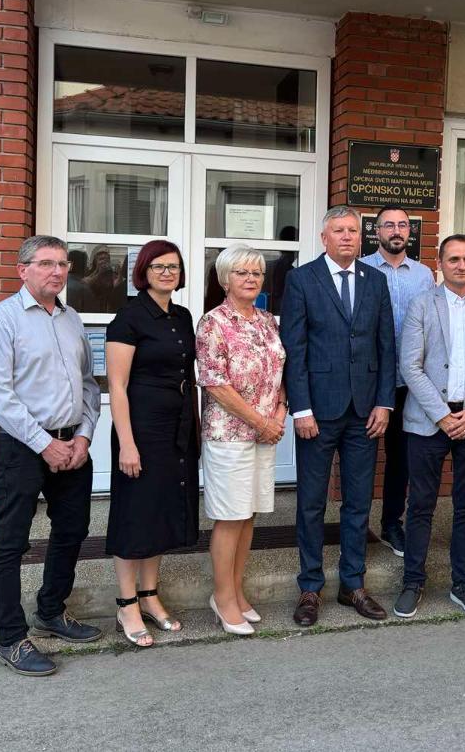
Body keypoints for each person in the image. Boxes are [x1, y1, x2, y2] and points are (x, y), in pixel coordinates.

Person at [0, 235, 103, 677]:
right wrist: (43, 444)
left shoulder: (72, 319)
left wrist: (83, 436)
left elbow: (88, 384)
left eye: (63, 264)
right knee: (11, 541)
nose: (57, 271)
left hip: (71, 443)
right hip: (20, 446)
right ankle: (10, 637)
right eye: (46, 263)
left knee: (73, 529)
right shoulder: (1, 320)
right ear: (23, 269)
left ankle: (50, 611)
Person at [280, 205, 396, 627]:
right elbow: (294, 347)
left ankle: (352, 584)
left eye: (352, 230)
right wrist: (301, 408)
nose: (347, 236)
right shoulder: (301, 279)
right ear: (324, 238)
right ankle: (310, 587)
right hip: (318, 411)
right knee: (311, 503)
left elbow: (387, 345)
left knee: (358, 502)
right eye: (339, 230)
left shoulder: (375, 280)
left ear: (361, 238)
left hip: (364, 412)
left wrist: (384, 402)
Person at [393, 234, 465, 620]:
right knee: (420, 505)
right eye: (454, 259)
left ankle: (463, 583)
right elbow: (409, 366)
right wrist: (441, 415)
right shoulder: (421, 304)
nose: (461, 265)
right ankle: (413, 581)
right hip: (428, 421)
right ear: (440, 263)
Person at [104, 239, 200, 647]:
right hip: (141, 428)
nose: (167, 272)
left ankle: (149, 595)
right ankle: (126, 603)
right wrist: (127, 443)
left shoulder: (182, 316)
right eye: (158, 266)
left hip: (176, 426)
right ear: (143, 271)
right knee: (135, 513)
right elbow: (117, 386)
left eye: (173, 266)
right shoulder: (128, 318)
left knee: (160, 511)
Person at [196, 245, 288, 636]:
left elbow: (280, 371)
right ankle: (222, 598)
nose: (251, 279)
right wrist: (261, 422)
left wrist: (279, 413)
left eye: (256, 273)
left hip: (265, 433)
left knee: (249, 514)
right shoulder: (213, 323)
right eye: (241, 272)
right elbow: (215, 384)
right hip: (228, 435)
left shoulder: (267, 321)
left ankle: (235, 590)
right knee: (230, 516)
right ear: (224, 279)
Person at [361, 205, 435, 557]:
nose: (396, 230)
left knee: (400, 458)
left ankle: (392, 523)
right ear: (376, 231)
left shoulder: (424, 275)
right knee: (360, 457)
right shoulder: (360, 269)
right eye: (388, 225)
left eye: (402, 225)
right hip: (367, 380)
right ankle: (356, 526)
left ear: (409, 232)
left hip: (408, 383)